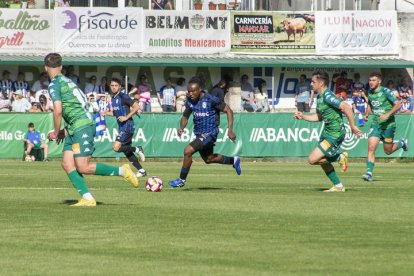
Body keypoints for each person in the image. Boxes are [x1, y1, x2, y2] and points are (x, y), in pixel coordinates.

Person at [44, 53, 139, 207]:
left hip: (82, 127)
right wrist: (63, 132)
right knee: (67, 164)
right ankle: (88, 198)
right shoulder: (69, 81)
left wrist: (55, 132)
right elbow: (76, 109)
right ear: (61, 67)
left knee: (83, 166)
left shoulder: (54, 84)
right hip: (76, 127)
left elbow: (58, 111)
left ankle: (123, 171)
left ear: (45, 68)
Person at [294, 71, 362, 192]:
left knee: (312, 159)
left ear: (321, 83)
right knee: (322, 161)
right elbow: (319, 117)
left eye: (313, 81)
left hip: (335, 134)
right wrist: (303, 116)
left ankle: (339, 156)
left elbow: (346, 107)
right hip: (327, 133)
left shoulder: (328, 96)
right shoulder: (320, 97)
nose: (311, 84)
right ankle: (338, 186)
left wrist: (352, 126)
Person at [168, 77, 241, 188]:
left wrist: (230, 129)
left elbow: (229, 110)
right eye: (189, 91)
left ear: (200, 89)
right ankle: (234, 160)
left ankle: (181, 180)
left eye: (193, 91)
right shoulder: (190, 100)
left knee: (187, 151)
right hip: (199, 133)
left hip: (210, 132)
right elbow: (186, 115)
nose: (190, 93)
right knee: (209, 159)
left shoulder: (211, 99)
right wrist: (181, 128)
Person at [362, 72, 408, 182]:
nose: (371, 82)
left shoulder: (386, 91)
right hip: (376, 124)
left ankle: (402, 143)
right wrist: (367, 114)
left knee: (388, 151)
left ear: (379, 81)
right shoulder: (370, 92)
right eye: (370, 80)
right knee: (371, 147)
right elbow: (370, 104)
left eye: (373, 80)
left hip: (389, 125)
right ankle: (369, 173)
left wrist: (387, 114)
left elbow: (398, 104)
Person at [104, 78, 147, 177]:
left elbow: (136, 107)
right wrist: (106, 113)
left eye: (116, 85)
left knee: (116, 148)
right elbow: (116, 113)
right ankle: (141, 171)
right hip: (122, 127)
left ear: (120, 86)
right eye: (112, 85)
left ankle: (137, 149)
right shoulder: (114, 98)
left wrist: (126, 117)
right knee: (127, 152)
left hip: (127, 126)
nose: (114, 87)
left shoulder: (123, 96)